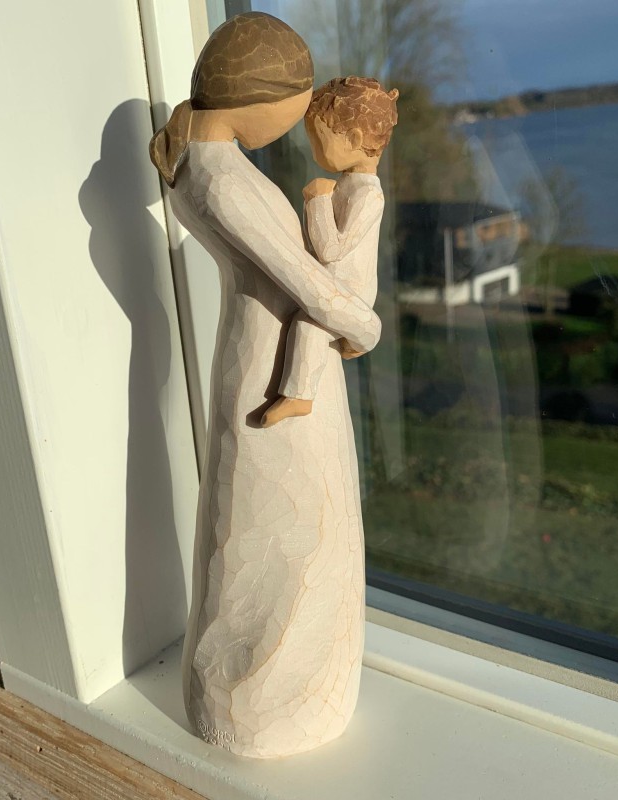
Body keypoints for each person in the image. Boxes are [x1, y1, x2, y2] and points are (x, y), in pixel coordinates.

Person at [150, 12, 381, 758]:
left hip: (266, 360)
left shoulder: (202, 162)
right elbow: (307, 285)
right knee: (288, 537)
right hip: (273, 375)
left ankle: (279, 688)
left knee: (278, 530)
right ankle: (260, 698)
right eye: (298, 108)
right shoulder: (224, 182)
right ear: (261, 98)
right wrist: (368, 326)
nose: (300, 126)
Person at [261, 77, 399, 427]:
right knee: (307, 323)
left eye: (319, 142)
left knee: (308, 326)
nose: (313, 152)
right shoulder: (351, 186)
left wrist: (318, 200)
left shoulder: (367, 196)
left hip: (349, 292)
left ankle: (299, 397)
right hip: (333, 284)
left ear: (353, 140)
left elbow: (331, 249)